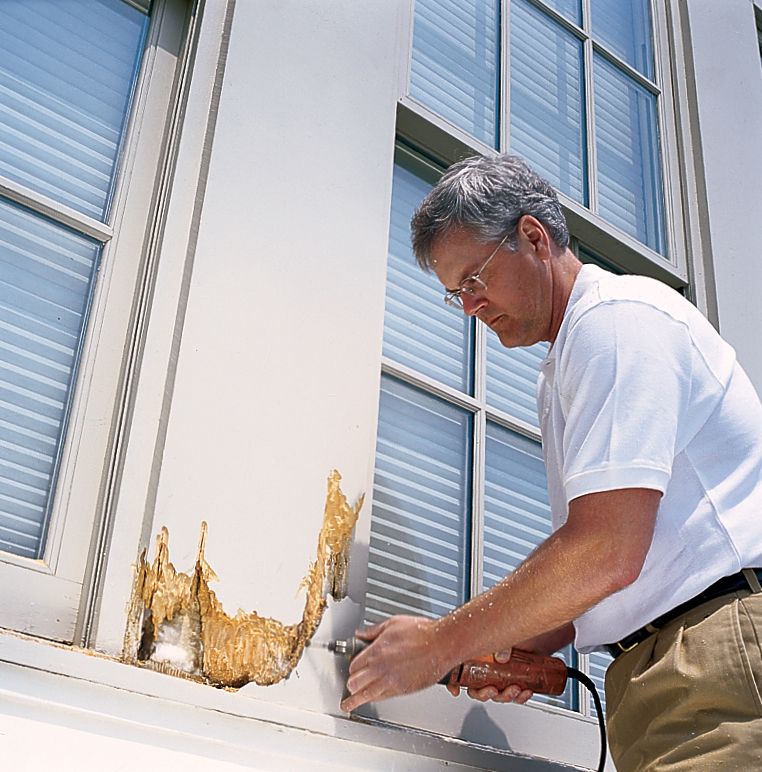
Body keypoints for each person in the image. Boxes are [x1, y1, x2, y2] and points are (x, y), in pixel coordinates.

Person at [341, 154, 762, 770]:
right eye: (456, 292)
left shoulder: (616, 323)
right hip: (667, 670)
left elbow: (605, 551)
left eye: (475, 278)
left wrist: (438, 645)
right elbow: (621, 561)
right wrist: (512, 641)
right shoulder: (565, 365)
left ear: (534, 237)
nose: (469, 306)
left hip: (718, 652)